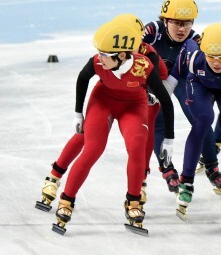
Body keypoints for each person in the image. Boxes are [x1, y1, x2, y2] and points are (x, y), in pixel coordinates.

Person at [48, 17, 175, 235]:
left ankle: (133, 202)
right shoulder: (97, 62)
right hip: (103, 101)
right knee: (92, 148)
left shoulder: (145, 64)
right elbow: (82, 79)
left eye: (105, 54)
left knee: (137, 146)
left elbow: (165, 100)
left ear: (122, 54)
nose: (100, 57)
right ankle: (66, 200)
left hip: (134, 105)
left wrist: (169, 138)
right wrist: (78, 113)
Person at [163, 23, 221, 220]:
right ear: (203, 51)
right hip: (200, 85)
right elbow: (170, 83)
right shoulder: (192, 56)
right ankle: (187, 182)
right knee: (203, 120)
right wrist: (157, 100)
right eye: (211, 56)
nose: (216, 62)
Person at [142, 0, 221, 194]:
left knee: (201, 119)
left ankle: (212, 167)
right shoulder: (152, 31)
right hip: (155, 80)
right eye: (177, 23)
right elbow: (132, 55)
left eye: (187, 23)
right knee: (159, 123)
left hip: (181, 79)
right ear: (165, 20)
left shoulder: (195, 40)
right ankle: (167, 169)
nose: (182, 29)